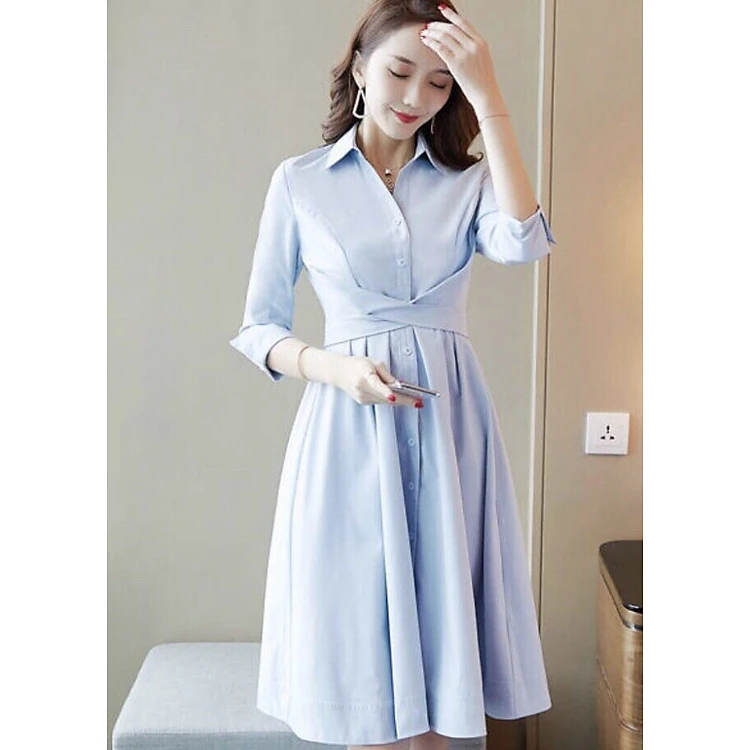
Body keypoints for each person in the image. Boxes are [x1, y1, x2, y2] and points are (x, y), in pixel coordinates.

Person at [229, 2, 557, 749]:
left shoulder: (469, 182)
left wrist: (488, 94)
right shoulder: (301, 182)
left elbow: (524, 241)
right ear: (359, 67)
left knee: (445, 661)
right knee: (362, 667)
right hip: (348, 434)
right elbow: (259, 330)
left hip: (451, 431)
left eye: (440, 83)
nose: (415, 97)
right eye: (400, 72)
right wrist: (335, 368)